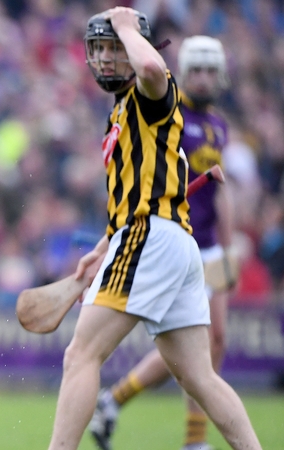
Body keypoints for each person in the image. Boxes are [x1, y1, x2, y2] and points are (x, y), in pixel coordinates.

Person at [48, 8, 260, 450]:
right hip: (171, 242)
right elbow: (151, 189)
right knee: (199, 376)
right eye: (100, 49)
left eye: (114, 49)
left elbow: (149, 66)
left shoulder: (152, 93)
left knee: (81, 355)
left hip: (149, 239)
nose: (106, 58)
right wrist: (105, 245)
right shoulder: (122, 113)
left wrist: (127, 26)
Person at [88, 35, 236, 450]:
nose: (204, 79)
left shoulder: (220, 125)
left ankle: (119, 403)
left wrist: (231, 249)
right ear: (185, 73)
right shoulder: (170, 111)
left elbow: (222, 195)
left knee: (216, 341)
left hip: (212, 247)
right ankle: (177, 430)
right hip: (174, 238)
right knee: (191, 347)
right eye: (197, 70)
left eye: (211, 71)